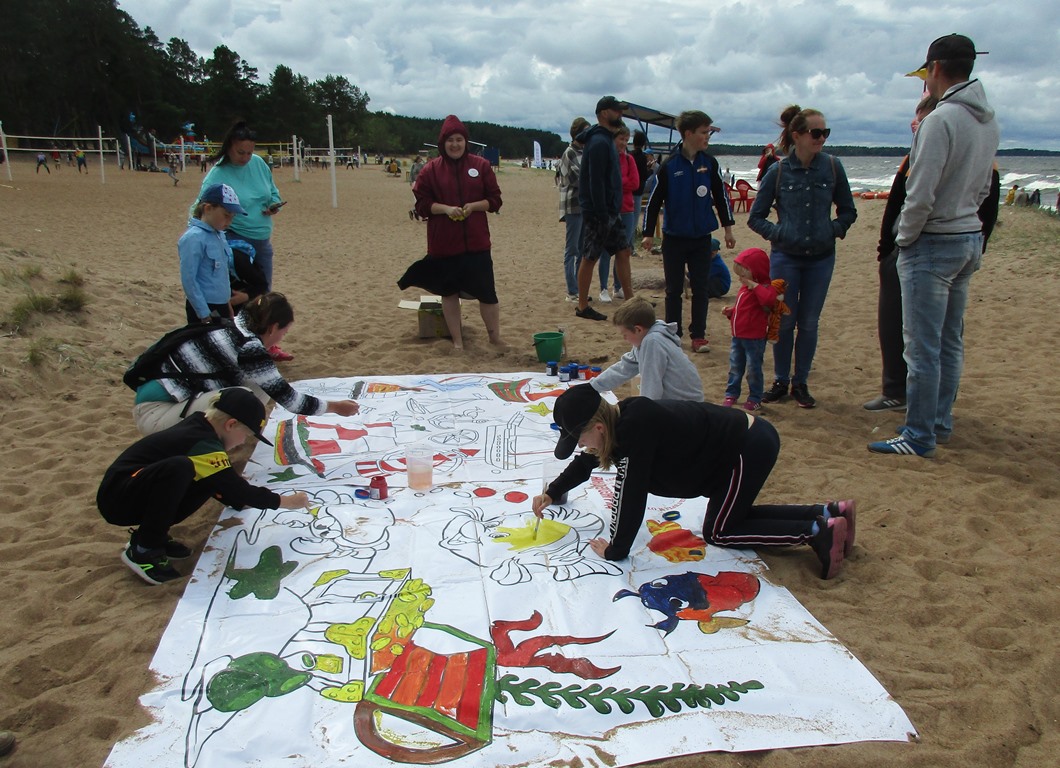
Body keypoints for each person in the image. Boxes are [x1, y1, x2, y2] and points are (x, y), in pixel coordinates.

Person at [532, 384, 855, 580]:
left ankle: (816, 532)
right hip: (730, 453)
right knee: (732, 517)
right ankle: (829, 513)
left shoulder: (634, 432)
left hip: (745, 448)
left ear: (599, 427)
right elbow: (587, 461)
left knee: (721, 531)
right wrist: (553, 492)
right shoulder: (619, 420)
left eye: (581, 437)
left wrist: (616, 550)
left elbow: (631, 496)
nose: (581, 446)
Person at [869, 34, 999, 458]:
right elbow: (983, 188)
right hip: (966, 237)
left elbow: (918, 192)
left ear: (936, 69)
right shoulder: (987, 120)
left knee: (922, 347)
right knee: (948, 342)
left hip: (934, 242)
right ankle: (939, 423)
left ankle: (919, 434)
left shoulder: (940, 121)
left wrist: (905, 238)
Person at [99, 387, 311, 585]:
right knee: (182, 467)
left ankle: (155, 535)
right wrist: (287, 502)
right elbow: (237, 488)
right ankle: (144, 547)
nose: (241, 442)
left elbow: (225, 484)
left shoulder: (202, 428)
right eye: (245, 435)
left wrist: (235, 500)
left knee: (210, 474)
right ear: (231, 424)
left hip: (137, 489)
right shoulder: (201, 441)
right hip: (119, 497)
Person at [748, 106, 858, 408]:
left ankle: (801, 383)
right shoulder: (778, 171)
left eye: (826, 132)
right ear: (797, 135)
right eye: (816, 132)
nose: (822, 138)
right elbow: (755, 217)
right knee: (783, 321)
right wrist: (779, 233)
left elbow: (849, 210)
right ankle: (781, 381)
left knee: (809, 322)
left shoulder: (832, 167)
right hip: (786, 257)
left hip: (821, 258)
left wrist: (833, 229)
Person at [131, 292, 361, 436]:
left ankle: (239, 433)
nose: (282, 338)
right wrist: (336, 407)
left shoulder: (233, 325)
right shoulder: (248, 346)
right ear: (272, 328)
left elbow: (272, 386)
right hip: (155, 416)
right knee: (240, 397)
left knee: (258, 385)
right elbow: (291, 401)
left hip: (169, 403)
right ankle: (216, 444)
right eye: (284, 332)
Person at [399, 115, 505, 350]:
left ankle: (495, 338)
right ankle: (457, 341)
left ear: (466, 141)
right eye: (450, 140)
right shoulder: (430, 170)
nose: (455, 144)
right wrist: (446, 209)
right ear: (442, 144)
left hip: (477, 243)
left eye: (459, 139)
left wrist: (473, 206)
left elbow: (495, 200)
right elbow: (422, 205)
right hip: (444, 244)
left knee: (487, 294)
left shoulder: (481, 166)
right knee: (449, 294)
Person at [642, 110, 736, 353]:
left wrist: (728, 229)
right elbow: (654, 201)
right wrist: (648, 233)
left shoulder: (709, 163)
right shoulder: (669, 165)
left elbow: (721, 196)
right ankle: (674, 334)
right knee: (673, 289)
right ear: (688, 133)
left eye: (708, 132)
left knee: (700, 288)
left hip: (701, 237)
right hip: (674, 237)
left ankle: (699, 336)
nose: (707, 137)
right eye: (704, 132)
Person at [199, 121, 289, 360]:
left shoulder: (258, 164)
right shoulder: (218, 173)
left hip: (261, 238)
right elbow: (202, 206)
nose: (246, 157)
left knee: (265, 295)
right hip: (234, 239)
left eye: (250, 152)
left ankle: (266, 345)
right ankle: (239, 345)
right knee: (242, 294)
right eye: (241, 152)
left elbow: (272, 191)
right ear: (229, 147)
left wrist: (273, 205)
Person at [573, 96, 635, 322]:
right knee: (590, 256)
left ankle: (630, 303)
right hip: (600, 212)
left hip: (609, 210)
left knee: (623, 251)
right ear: (602, 113)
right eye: (615, 111)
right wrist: (601, 213)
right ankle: (582, 306)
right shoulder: (599, 142)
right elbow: (595, 181)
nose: (620, 114)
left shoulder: (605, 139)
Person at [589, 296, 703, 401]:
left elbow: (651, 388)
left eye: (625, 334)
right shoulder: (646, 337)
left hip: (687, 407)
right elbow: (624, 368)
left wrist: (644, 414)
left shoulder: (652, 342)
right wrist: (591, 387)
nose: (625, 339)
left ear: (638, 329)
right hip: (683, 404)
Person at [722, 248, 782, 411]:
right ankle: (731, 393)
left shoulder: (764, 288)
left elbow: (769, 299)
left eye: (743, 275)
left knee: (753, 369)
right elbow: (744, 309)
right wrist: (732, 312)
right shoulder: (744, 289)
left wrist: (755, 286)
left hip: (754, 338)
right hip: (738, 336)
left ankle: (755, 397)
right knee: (735, 367)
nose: (741, 279)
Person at [179, 183, 246, 324]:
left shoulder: (219, 235)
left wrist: (227, 304)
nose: (229, 222)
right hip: (203, 307)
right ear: (208, 208)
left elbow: (221, 274)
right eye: (226, 216)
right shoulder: (193, 238)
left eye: (232, 217)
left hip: (221, 305)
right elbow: (189, 279)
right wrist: (203, 313)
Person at [598, 123, 639, 303]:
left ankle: (618, 287)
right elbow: (605, 183)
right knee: (606, 251)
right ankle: (602, 289)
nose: (623, 143)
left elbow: (635, 183)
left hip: (627, 209)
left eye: (626, 140)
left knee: (624, 250)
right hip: (610, 209)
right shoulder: (606, 158)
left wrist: (618, 182)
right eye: (621, 139)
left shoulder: (629, 159)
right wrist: (620, 182)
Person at [558, 117, 590, 301]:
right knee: (572, 250)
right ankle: (572, 290)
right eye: (584, 130)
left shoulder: (586, 151)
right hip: (573, 205)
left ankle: (580, 288)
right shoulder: (569, 153)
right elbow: (577, 178)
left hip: (585, 206)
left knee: (582, 249)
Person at [631, 130, 650, 242]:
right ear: (643, 144)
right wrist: (650, 170)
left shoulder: (629, 155)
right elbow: (643, 175)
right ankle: (631, 245)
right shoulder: (643, 157)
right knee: (634, 220)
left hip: (628, 191)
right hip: (638, 191)